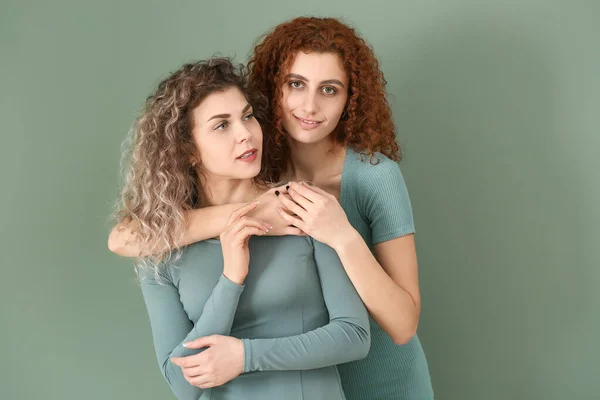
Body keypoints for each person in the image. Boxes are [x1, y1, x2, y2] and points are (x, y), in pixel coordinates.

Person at [110, 16, 434, 400]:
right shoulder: (252, 165)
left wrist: (341, 235)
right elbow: (125, 238)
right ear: (273, 88)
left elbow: (400, 325)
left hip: (382, 379)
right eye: (296, 84)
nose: (310, 105)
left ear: (352, 99)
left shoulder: (374, 178)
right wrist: (249, 214)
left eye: (329, 89)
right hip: (297, 378)